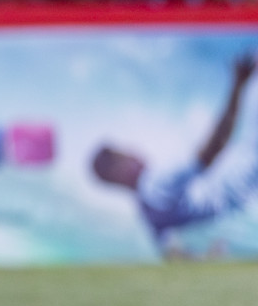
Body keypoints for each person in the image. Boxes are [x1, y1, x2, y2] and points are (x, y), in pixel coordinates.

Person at [94, 54, 258, 247]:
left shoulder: (147, 212)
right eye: (124, 154)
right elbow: (212, 149)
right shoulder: (156, 182)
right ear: (121, 171)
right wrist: (237, 85)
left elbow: (172, 253)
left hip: (239, 200)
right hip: (245, 170)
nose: (132, 151)